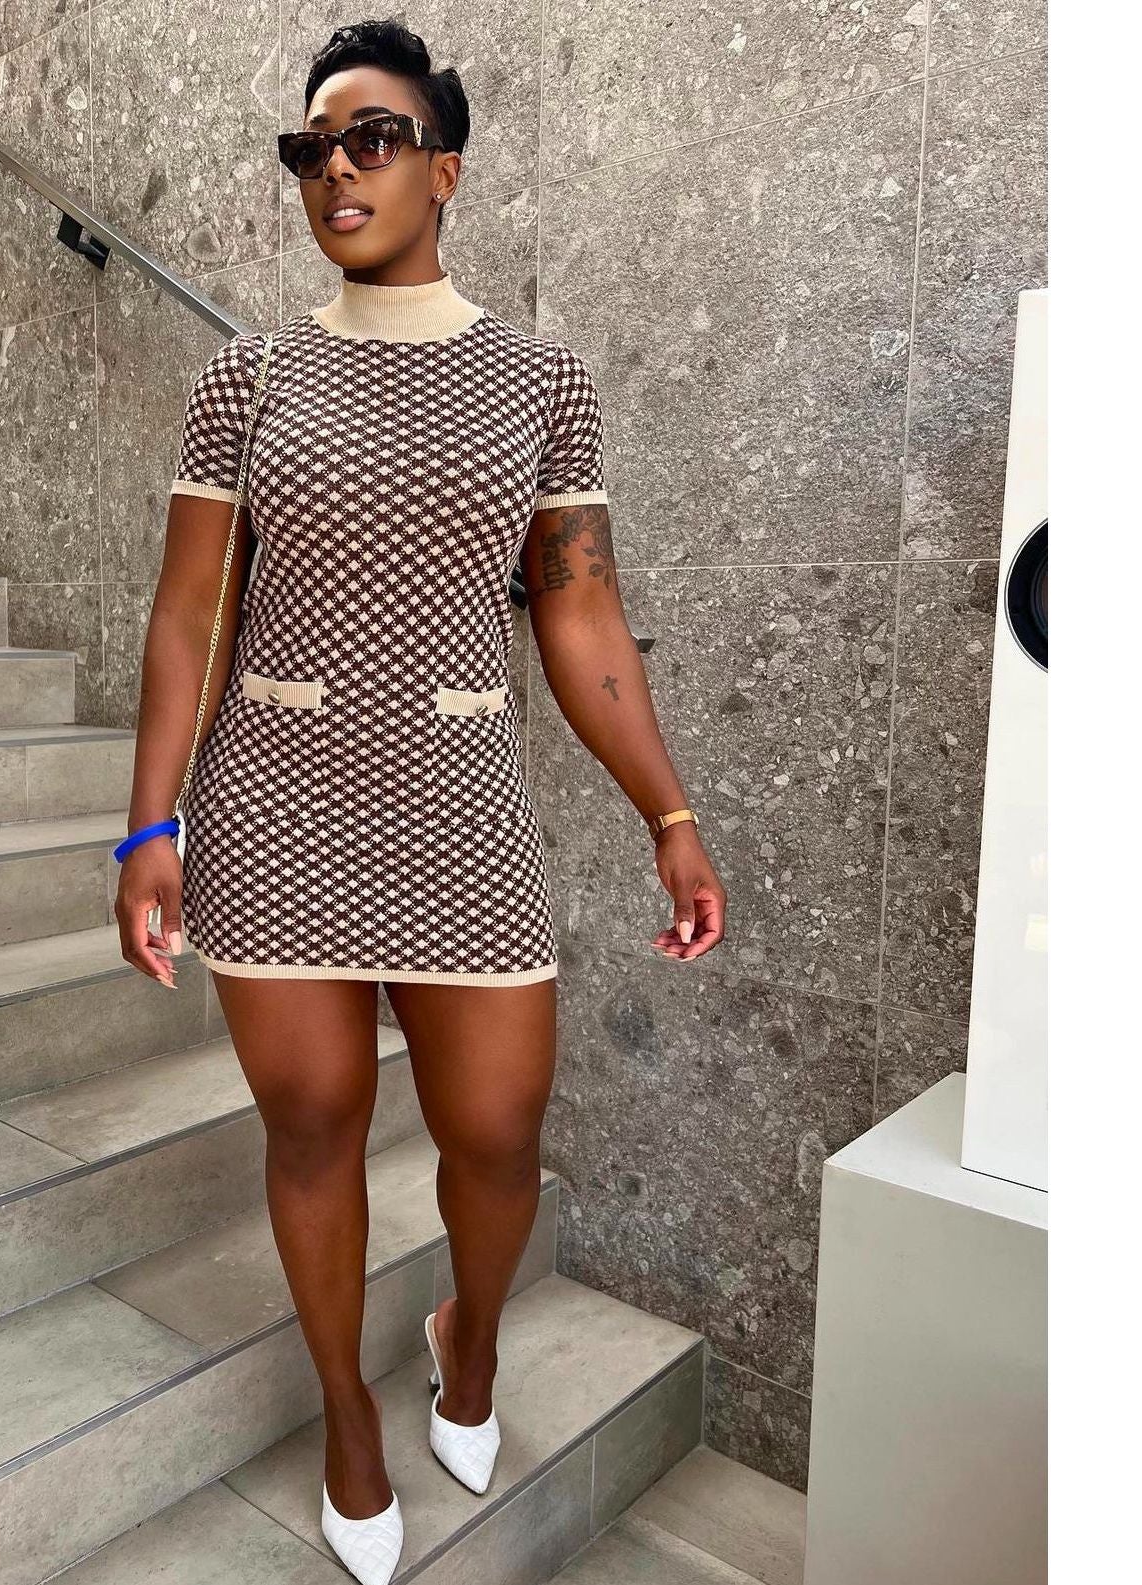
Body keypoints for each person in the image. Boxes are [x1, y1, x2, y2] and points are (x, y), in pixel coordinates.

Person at [114, 20, 727, 1584]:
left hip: (461, 808)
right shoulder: (247, 377)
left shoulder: (540, 381)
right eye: (311, 148)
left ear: (443, 169)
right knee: (313, 1124)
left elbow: (579, 611)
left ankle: (470, 1339)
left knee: (497, 1133)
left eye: (372, 138)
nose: (337, 169)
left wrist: (666, 811)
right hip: (275, 806)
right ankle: (345, 1412)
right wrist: (149, 822)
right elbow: (189, 613)